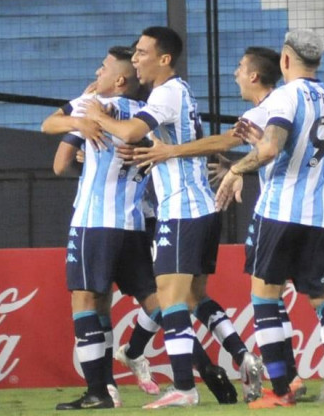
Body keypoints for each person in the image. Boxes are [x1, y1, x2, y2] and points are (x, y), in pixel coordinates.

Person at [83, 27, 257, 409]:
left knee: (171, 299)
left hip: (181, 210)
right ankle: (242, 356)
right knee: (195, 296)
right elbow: (151, 137)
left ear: (165, 59)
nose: (136, 58)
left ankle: (184, 386)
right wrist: (149, 148)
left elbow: (131, 130)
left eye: (143, 52)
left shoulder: (164, 93)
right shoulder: (179, 91)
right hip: (200, 208)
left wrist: (99, 115)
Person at [215, 29, 324, 408]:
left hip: (279, 212)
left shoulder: (285, 95)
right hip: (321, 215)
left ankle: (282, 390)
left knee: (265, 296)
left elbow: (273, 146)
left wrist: (236, 170)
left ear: (286, 60)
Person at [45, 46, 163, 410]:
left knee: (86, 298)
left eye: (104, 67)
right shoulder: (145, 115)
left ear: (119, 80)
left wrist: (78, 123)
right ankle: (135, 350)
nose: (97, 72)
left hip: (95, 222)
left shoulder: (94, 103)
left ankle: (99, 391)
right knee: (158, 298)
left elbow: (48, 126)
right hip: (133, 223)